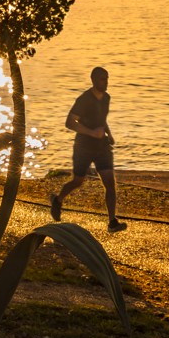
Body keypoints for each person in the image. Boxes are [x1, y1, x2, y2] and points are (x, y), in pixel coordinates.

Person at [50, 66, 127, 232]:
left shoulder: (106, 98)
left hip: (102, 147)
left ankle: (112, 221)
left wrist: (109, 134)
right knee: (78, 181)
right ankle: (58, 200)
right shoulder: (84, 99)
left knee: (110, 184)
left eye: (107, 78)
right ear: (93, 80)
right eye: (102, 79)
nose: (105, 82)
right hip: (83, 147)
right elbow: (70, 122)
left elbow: (102, 119)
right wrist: (91, 132)